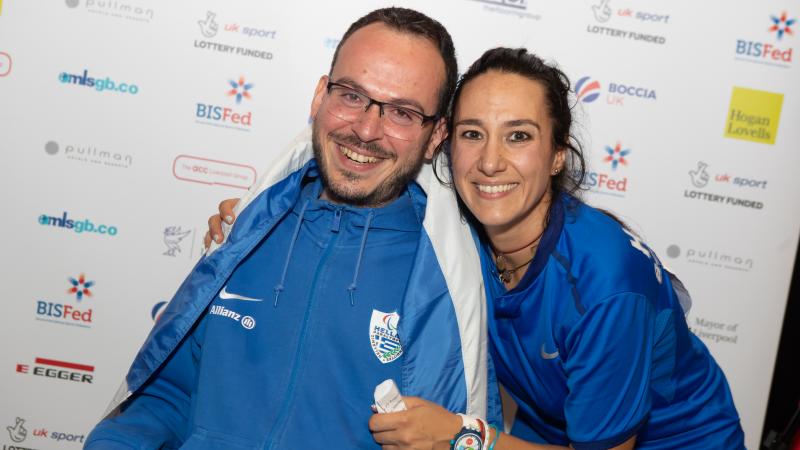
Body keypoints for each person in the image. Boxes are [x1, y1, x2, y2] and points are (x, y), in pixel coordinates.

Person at [209, 48, 746, 449]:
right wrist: (258, 216)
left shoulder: (604, 284)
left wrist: (462, 436)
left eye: (518, 136)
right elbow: (356, 209)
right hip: (545, 430)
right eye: (472, 134)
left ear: (558, 154)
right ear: (445, 143)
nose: (490, 162)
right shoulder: (461, 221)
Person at [85, 8, 500, 449]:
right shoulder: (246, 231)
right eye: (352, 95)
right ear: (321, 95)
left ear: (436, 135)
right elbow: (170, 394)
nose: (365, 129)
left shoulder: (448, 283)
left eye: (401, 112)